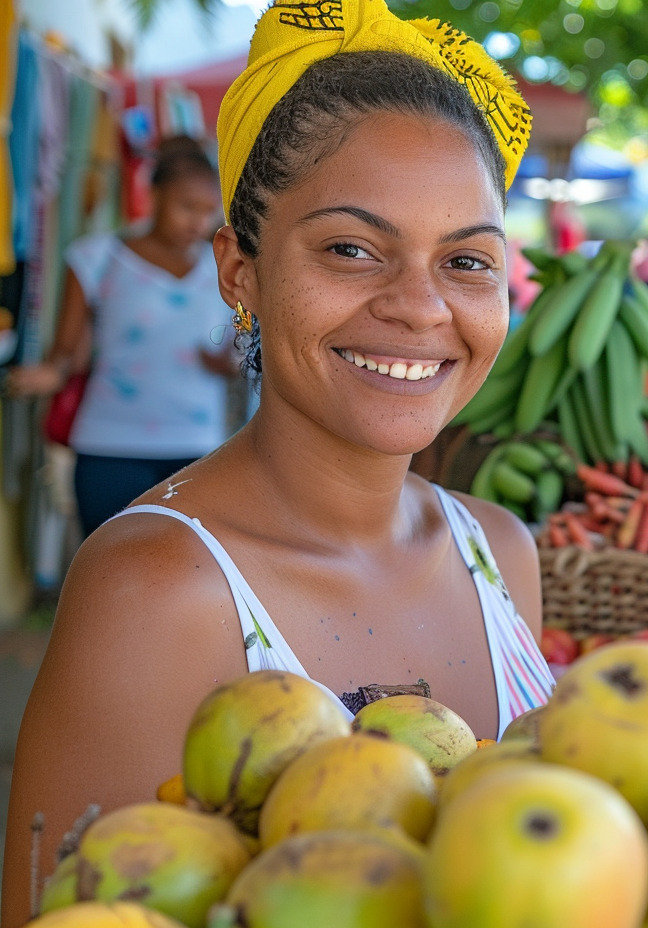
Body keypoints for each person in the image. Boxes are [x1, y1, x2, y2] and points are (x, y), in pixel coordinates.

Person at [2, 4, 554, 923]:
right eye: (351, 248)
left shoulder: (499, 551)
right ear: (240, 271)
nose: (421, 307)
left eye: (466, 261)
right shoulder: (157, 591)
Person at [6, 136, 239, 537]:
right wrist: (49, 372)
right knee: (103, 574)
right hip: (108, 446)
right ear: (153, 194)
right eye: (186, 207)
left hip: (198, 451)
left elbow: (237, 351)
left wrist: (227, 365)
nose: (197, 223)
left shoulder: (226, 269)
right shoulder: (96, 258)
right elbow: (66, 354)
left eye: (207, 212)